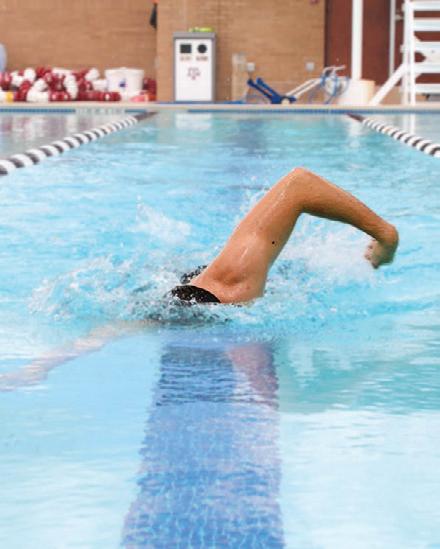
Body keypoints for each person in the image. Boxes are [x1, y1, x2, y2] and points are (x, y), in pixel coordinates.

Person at [169, 167, 399, 305]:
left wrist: (385, 236)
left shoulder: (228, 284)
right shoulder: (227, 286)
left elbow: (301, 184)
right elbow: (300, 185)